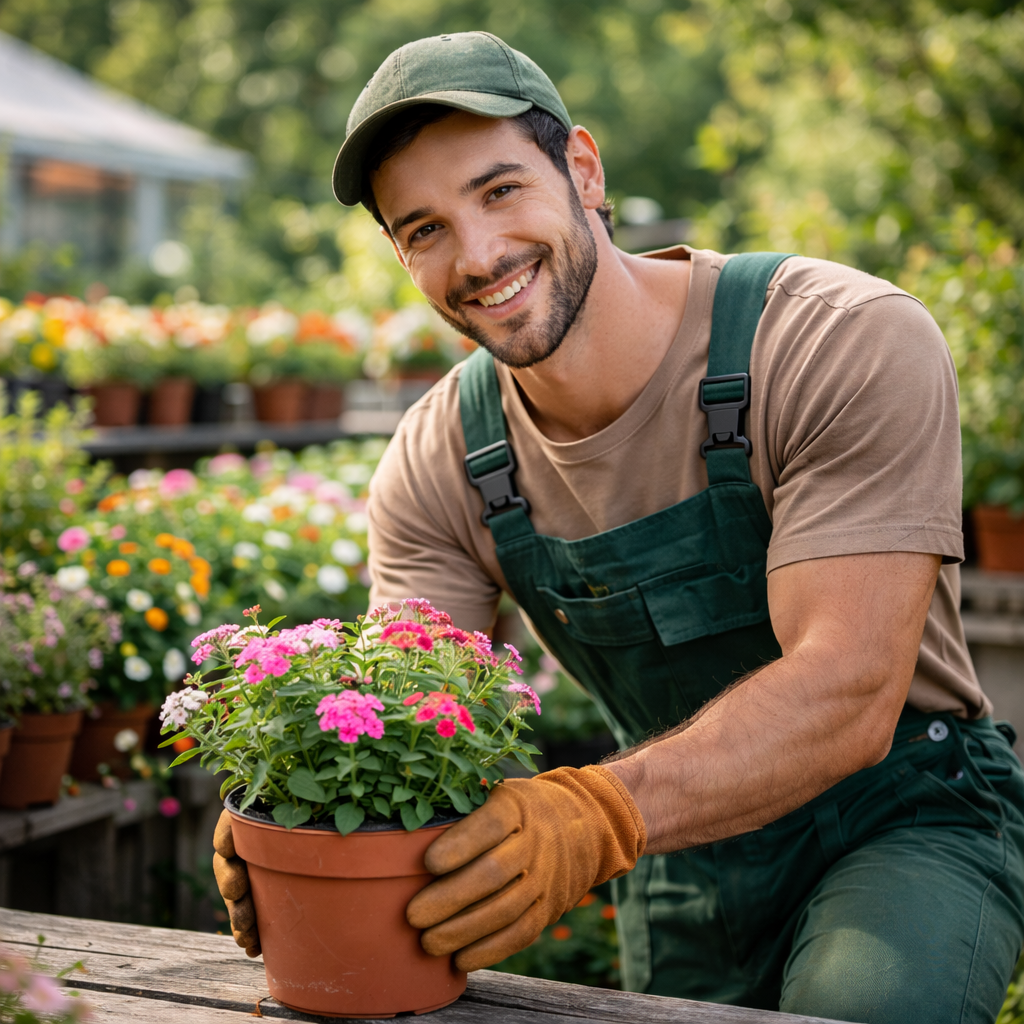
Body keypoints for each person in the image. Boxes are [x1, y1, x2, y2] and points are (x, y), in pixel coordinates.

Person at [211, 31, 1024, 1023]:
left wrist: (592, 811)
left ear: (583, 170)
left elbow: (849, 689)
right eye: (422, 228)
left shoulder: (830, 340)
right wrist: (293, 825)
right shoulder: (441, 461)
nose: (476, 255)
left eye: (500, 190)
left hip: (903, 815)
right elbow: (420, 725)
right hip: (683, 854)